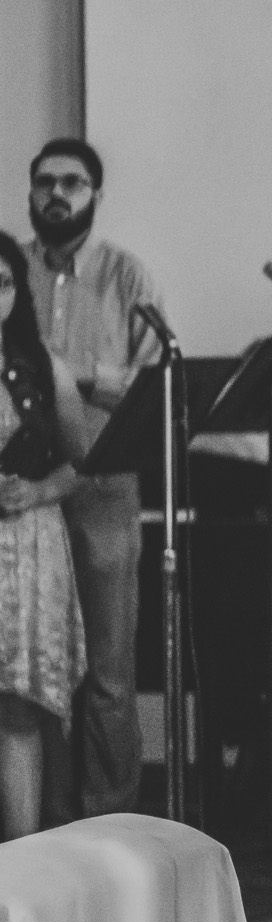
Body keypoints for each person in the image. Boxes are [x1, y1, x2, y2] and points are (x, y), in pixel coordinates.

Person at [25, 138, 164, 818]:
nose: (57, 193)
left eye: (72, 183)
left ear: (95, 195)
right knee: (31, 668)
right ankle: (39, 825)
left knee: (108, 673)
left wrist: (75, 374)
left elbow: (155, 378)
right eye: (45, 181)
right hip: (21, 498)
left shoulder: (126, 276)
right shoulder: (8, 269)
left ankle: (111, 825)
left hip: (104, 488)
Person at [0, 232, 90, 835]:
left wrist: (35, 491)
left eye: (3, 283)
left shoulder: (44, 363)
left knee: (17, 709)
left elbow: (81, 463)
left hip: (26, 543)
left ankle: (20, 871)